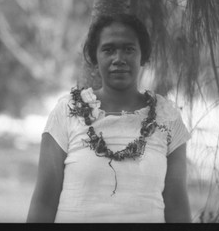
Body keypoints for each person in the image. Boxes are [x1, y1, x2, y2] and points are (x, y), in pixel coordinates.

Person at [27, 14, 192, 223]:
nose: (118, 58)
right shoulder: (67, 112)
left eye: (129, 49)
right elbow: (44, 201)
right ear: (95, 59)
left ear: (144, 56)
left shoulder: (167, 118)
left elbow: (177, 204)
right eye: (108, 49)